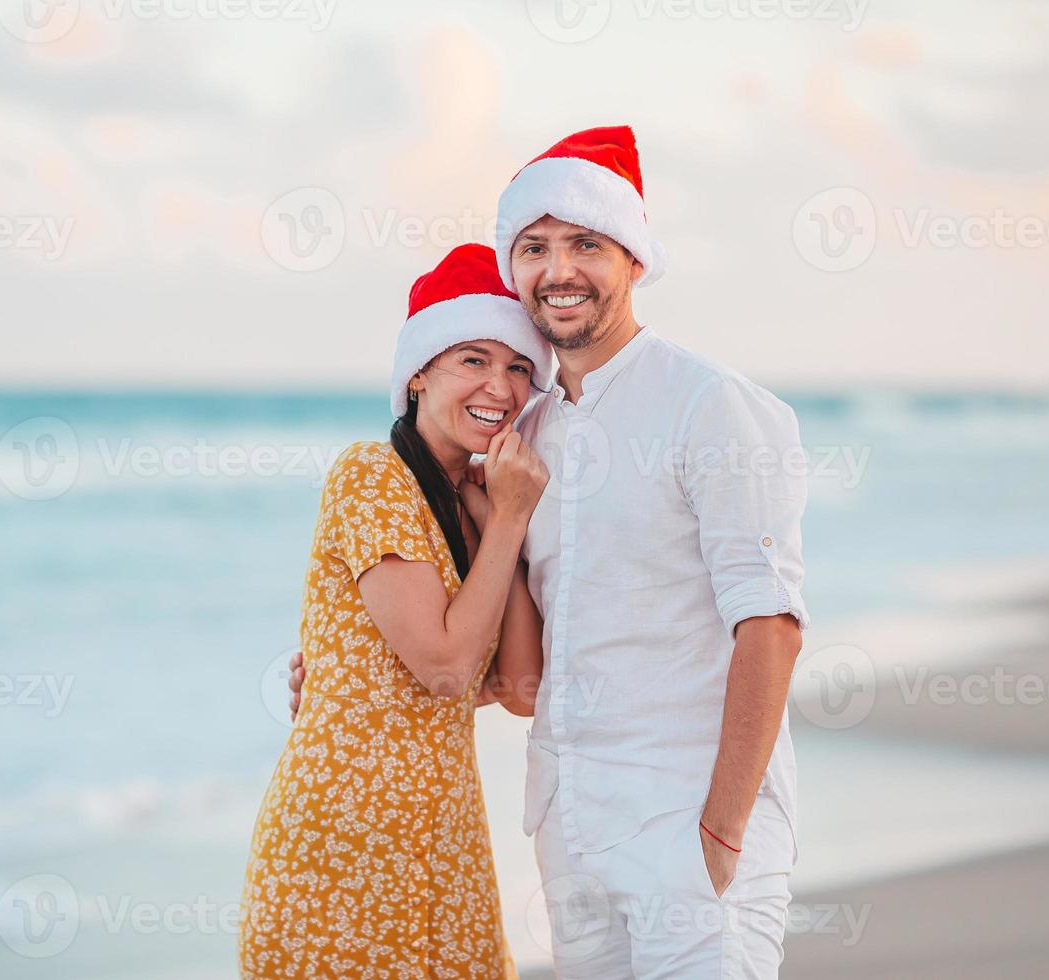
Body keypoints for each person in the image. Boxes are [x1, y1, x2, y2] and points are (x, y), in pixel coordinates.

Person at [292, 127, 811, 979]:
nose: (557, 269)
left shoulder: (710, 405)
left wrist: (721, 829)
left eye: (585, 244)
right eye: (533, 247)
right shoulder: (522, 436)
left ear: (633, 259)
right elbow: (493, 652)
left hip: (688, 822)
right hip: (570, 832)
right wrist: (346, 671)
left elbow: (772, 626)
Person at [239, 243, 552, 979]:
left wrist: (494, 519)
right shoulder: (370, 475)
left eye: (517, 368)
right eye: (472, 359)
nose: (499, 387)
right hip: (342, 847)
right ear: (418, 372)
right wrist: (509, 519)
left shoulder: (474, 504)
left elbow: (521, 691)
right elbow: (444, 666)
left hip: (442, 844)